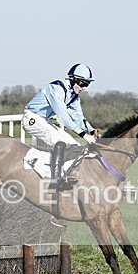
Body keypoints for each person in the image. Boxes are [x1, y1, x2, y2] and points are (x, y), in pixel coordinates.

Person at [23, 63, 99, 191]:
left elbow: (79, 117)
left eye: (87, 84)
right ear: (74, 79)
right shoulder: (56, 88)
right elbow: (64, 117)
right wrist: (84, 135)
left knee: (73, 144)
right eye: (83, 84)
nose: (84, 88)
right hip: (31, 118)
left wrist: (92, 131)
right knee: (60, 141)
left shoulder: (74, 96)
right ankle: (55, 181)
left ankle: (65, 175)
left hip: (43, 120)